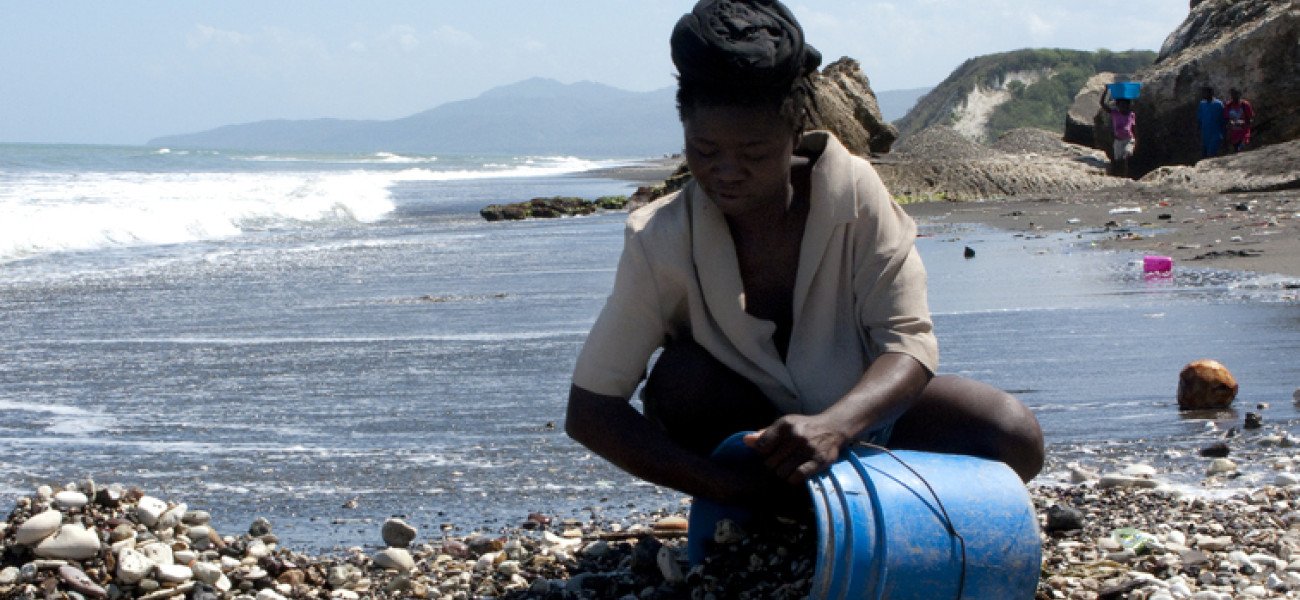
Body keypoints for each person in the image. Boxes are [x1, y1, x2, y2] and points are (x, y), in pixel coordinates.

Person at [565, 0, 1044, 516]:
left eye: (753, 154)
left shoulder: (855, 192)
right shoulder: (659, 238)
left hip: (865, 428)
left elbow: (908, 342)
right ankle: (778, 511)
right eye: (704, 151)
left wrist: (835, 426)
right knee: (682, 381)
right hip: (750, 457)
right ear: (684, 131)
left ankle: (864, 502)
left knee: (1012, 433)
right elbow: (591, 409)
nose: (727, 172)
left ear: (794, 133)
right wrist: (722, 485)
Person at [1099, 86, 1137, 178]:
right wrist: (1106, 90)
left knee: (1126, 156)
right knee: (1117, 160)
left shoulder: (1131, 115)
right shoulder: (1115, 114)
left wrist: (1136, 140)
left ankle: (1125, 176)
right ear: (1118, 106)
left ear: (1128, 106)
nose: (1123, 107)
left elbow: (1134, 128)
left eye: (1125, 105)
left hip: (1128, 139)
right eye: (1121, 105)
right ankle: (1116, 175)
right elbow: (1102, 103)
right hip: (1118, 141)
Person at [1197, 86, 1226, 159]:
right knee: (1204, 156)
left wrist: (1224, 134)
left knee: (1211, 154)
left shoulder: (1218, 104)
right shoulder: (1202, 104)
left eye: (1206, 93)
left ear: (1211, 93)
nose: (1204, 95)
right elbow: (1199, 119)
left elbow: (1224, 119)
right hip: (1205, 135)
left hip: (1216, 134)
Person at [1224, 88, 1254, 153]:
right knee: (1236, 151)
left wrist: (1241, 123)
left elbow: (1250, 120)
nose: (1234, 97)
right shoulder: (1228, 105)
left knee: (1241, 149)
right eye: (1233, 95)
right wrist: (1229, 124)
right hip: (1234, 135)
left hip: (1244, 134)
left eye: (1236, 94)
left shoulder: (1245, 105)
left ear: (1239, 95)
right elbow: (1226, 119)